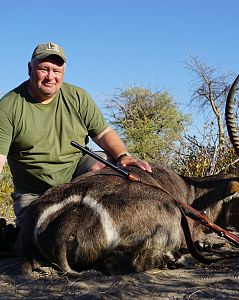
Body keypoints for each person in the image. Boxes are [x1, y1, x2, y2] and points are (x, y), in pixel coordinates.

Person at [0, 42, 152, 227]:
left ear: (64, 72)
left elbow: (103, 133)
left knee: (108, 166)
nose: (50, 77)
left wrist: (123, 155)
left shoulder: (77, 96)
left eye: (56, 71)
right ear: (30, 68)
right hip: (35, 193)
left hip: (76, 175)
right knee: (37, 238)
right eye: (44, 69)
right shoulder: (8, 107)